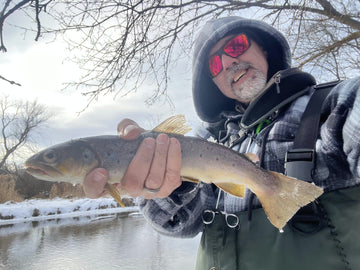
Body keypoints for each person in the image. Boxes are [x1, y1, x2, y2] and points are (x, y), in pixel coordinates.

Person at [83, 16, 360, 269]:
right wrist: (160, 186)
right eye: (214, 65)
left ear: (264, 48)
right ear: (213, 83)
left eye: (237, 45)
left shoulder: (336, 104)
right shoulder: (205, 142)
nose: (227, 62)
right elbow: (178, 225)